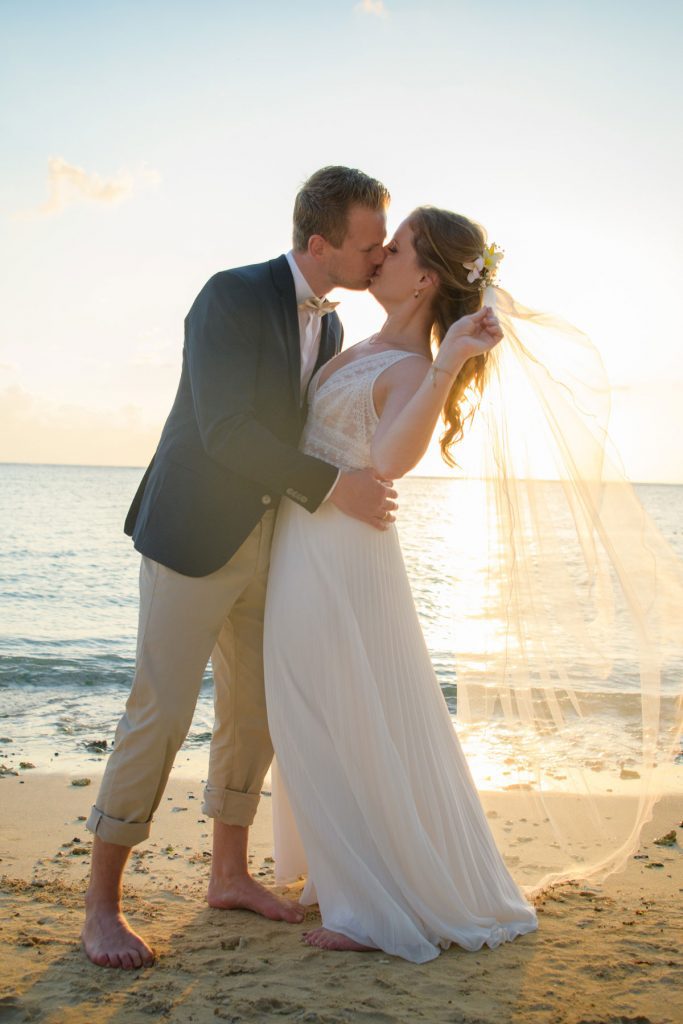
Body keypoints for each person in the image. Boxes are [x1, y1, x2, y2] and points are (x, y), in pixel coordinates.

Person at [81, 166, 400, 970]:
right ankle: (101, 908)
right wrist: (335, 488)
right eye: (369, 244)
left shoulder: (331, 326)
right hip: (193, 534)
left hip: (274, 545)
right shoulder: (229, 295)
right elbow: (224, 429)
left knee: (254, 712)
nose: (380, 256)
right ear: (319, 243)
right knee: (160, 713)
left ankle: (228, 874)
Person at [263, 207, 539, 963]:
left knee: (340, 708)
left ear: (423, 280)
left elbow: (387, 460)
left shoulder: (414, 368)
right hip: (305, 542)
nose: (380, 253)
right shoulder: (359, 344)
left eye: (398, 245)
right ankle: (344, 870)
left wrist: (448, 363)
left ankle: (370, 907)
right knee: (313, 706)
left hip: (340, 556)